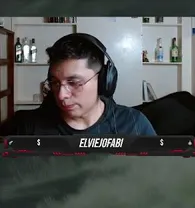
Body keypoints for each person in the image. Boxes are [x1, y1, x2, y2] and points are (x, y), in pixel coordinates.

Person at [0, 33, 156, 137]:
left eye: (74, 83)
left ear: (103, 81)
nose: (61, 95)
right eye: (55, 82)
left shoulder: (134, 125)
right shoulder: (27, 127)